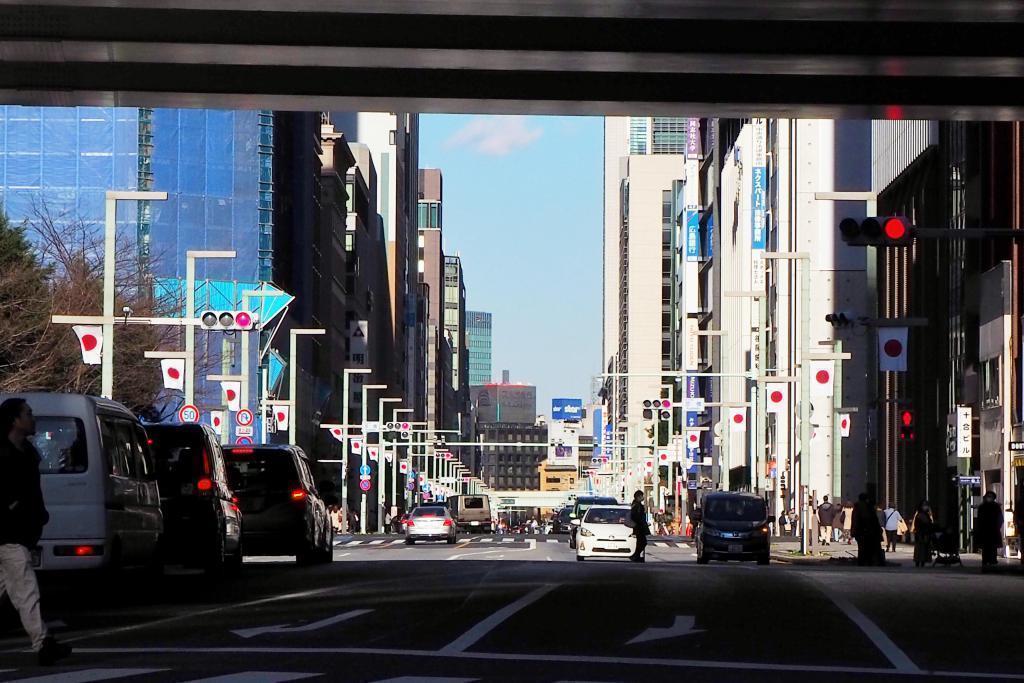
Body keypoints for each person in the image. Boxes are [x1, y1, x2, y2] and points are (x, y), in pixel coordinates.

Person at [0, 398, 72, 665]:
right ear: (14, 421)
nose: (33, 418)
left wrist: (37, 515)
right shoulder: (7, 455)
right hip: (9, 533)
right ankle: (43, 643)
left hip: (19, 531)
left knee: (15, 588)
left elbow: (32, 493)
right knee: (26, 590)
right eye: (28, 414)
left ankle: (44, 643)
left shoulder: (26, 453)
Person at [851, 493, 883, 566]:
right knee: (869, 547)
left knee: (861, 547)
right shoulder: (869, 507)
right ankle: (869, 561)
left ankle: (862, 561)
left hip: (859, 531)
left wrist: (853, 531)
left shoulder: (857, 508)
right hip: (869, 530)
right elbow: (874, 520)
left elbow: (854, 521)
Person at [976, 491, 1003, 570]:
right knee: (985, 548)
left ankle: (992, 562)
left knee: (992, 548)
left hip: (993, 530)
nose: (989, 498)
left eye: (990, 496)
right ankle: (985, 562)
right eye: (988, 496)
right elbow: (979, 519)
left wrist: (997, 526)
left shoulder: (996, 507)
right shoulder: (982, 507)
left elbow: (1000, 518)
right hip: (985, 531)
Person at [911, 500, 935, 568]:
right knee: (920, 548)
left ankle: (921, 561)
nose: (925, 507)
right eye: (924, 505)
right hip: (921, 534)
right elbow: (926, 524)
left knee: (922, 549)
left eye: (926, 505)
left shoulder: (925, 514)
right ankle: (919, 561)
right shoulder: (920, 515)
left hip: (923, 534)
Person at [629, 490, 650, 563]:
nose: (643, 497)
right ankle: (635, 556)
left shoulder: (636, 504)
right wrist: (641, 523)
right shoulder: (637, 505)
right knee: (642, 542)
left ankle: (636, 556)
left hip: (639, 526)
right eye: (642, 496)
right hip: (639, 527)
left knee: (641, 542)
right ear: (638, 497)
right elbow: (636, 516)